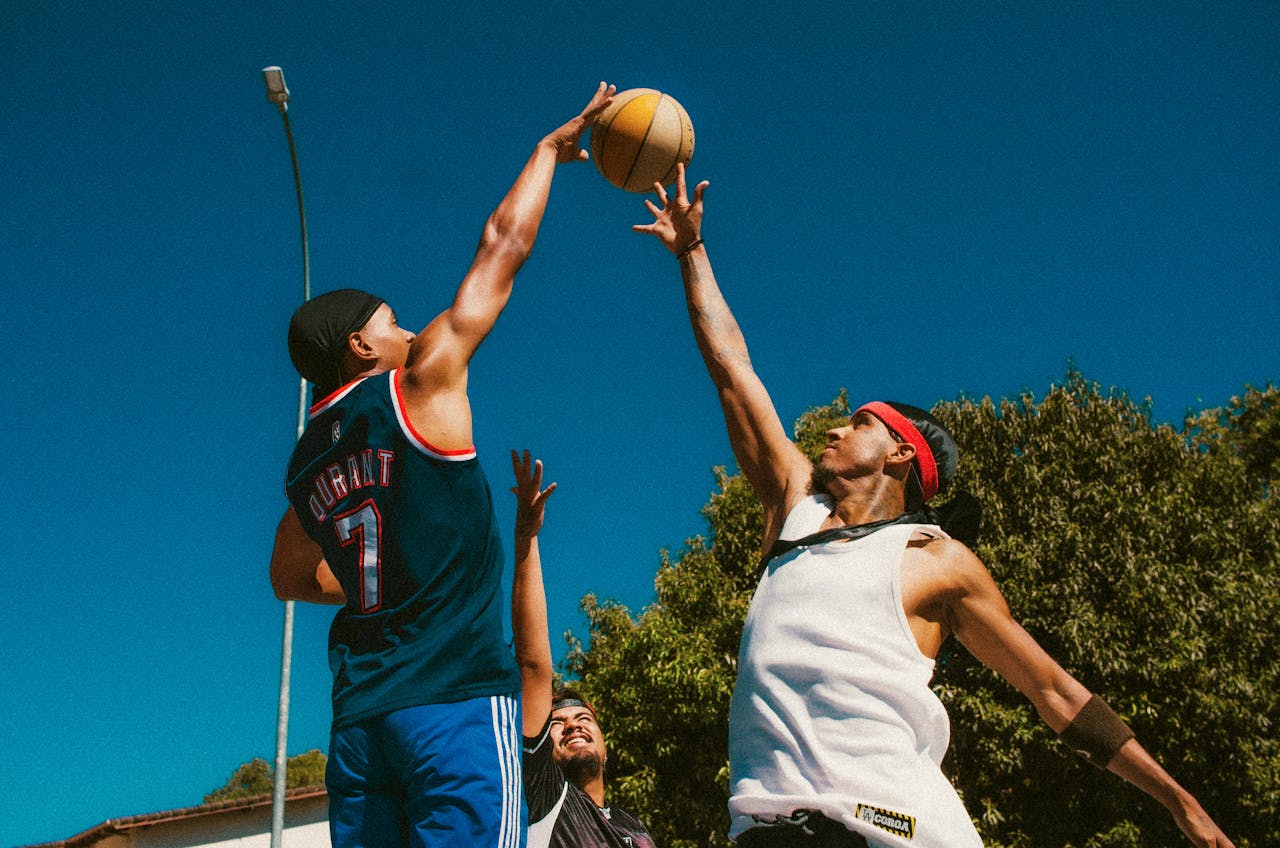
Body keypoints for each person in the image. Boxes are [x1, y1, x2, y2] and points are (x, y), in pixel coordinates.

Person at [633, 164, 1234, 848]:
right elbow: (733, 369)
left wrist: (1181, 803)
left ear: (900, 454)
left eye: (859, 422)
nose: (833, 428)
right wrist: (691, 252)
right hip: (770, 828)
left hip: (899, 828)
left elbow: (1057, 695)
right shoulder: (796, 511)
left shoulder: (936, 561)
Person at [268, 82, 615, 848]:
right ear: (361, 347)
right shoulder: (418, 381)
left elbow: (289, 578)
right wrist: (548, 151)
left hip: (361, 724)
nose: (404, 327)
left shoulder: (305, 464)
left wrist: (380, 585)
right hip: (451, 701)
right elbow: (502, 246)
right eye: (388, 321)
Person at [509, 450, 658, 848]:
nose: (573, 724)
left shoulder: (637, 828)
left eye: (583, 718)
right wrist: (527, 537)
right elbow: (533, 663)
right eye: (558, 723)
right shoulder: (545, 797)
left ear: (606, 749)